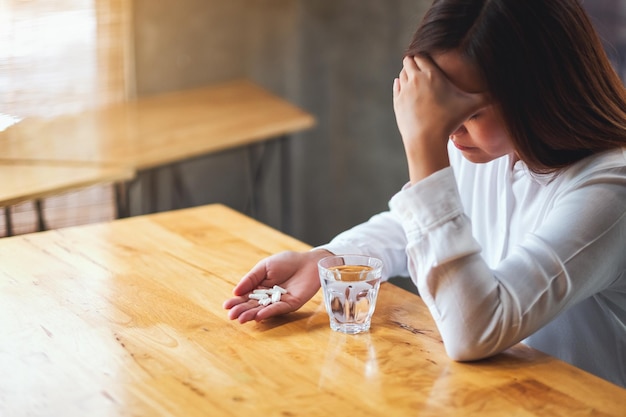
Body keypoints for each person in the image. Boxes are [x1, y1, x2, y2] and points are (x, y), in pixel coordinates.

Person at [223, 0, 626, 387]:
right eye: (436, 109)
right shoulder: (491, 151)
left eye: (466, 112)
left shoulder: (609, 190)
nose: (449, 130)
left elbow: (476, 331)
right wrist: (329, 258)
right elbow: (417, 224)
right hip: (494, 394)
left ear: (539, 91)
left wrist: (423, 143)